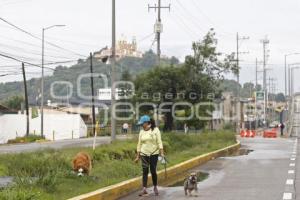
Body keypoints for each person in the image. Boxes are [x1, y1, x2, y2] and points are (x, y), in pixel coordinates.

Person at [134, 115, 164, 196]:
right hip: (144, 154)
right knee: (145, 171)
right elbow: (139, 144)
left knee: (153, 170)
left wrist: (161, 152)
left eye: (142, 124)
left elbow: (159, 142)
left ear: (147, 123)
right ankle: (144, 189)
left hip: (154, 153)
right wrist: (138, 156)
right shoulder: (141, 131)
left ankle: (155, 187)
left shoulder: (155, 130)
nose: (141, 125)